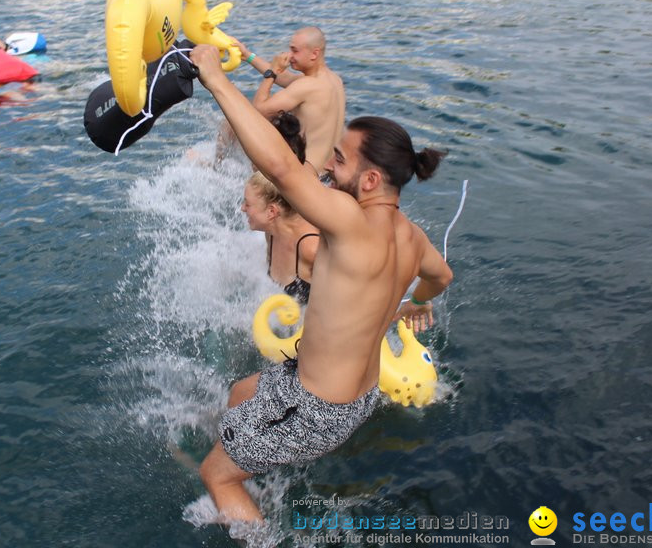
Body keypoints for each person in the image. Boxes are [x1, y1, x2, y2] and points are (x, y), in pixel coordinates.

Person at [190, 44, 454, 526]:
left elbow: (283, 168)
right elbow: (441, 276)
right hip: (353, 397)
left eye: (340, 160)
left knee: (216, 476)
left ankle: (252, 516)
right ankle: (244, 445)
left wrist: (215, 79)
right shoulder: (411, 236)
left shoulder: (351, 223)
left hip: (315, 408)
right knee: (241, 391)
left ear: (371, 179)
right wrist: (415, 303)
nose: (329, 167)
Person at [230, 27, 346, 175]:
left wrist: (271, 73)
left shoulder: (307, 85)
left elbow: (258, 111)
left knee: (232, 122)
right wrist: (247, 55)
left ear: (314, 54)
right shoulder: (334, 80)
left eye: (295, 50)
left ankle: (217, 167)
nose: (290, 55)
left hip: (305, 177)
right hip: (327, 175)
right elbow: (285, 78)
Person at [243, 171, 319, 305]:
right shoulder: (271, 233)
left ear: (271, 212)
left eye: (247, 204)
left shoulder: (311, 248)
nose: (242, 208)